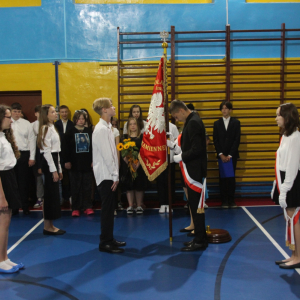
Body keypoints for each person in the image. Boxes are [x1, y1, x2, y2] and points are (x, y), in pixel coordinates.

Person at [169, 99, 208, 252]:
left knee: (197, 207)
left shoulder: (193, 122)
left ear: (180, 111)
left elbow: (197, 149)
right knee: (194, 206)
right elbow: (189, 145)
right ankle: (199, 237)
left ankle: (200, 240)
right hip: (193, 169)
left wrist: (180, 157)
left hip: (194, 171)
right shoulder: (192, 120)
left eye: (176, 117)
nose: (177, 120)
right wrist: (174, 147)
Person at [92, 97, 125, 254]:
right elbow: (107, 155)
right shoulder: (101, 129)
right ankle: (105, 242)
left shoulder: (108, 128)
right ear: (104, 110)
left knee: (110, 208)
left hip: (109, 174)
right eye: (110, 106)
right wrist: (114, 175)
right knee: (107, 210)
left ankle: (109, 238)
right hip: (106, 175)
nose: (113, 107)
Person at [272, 103, 300, 269]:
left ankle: (298, 256)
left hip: (292, 181)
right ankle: (293, 254)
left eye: (278, 115)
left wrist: (284, 190)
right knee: (289, 219)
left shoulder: (296, 138)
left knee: (294, 219)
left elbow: (291, 167)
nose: (276, 118)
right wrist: (278, 184)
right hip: (284, 180)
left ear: (287, 117)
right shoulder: (285, 136)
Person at [0, 105, 24, 273]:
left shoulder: (3, 136)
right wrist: (1, 196)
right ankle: (0, 260)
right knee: (3, 222)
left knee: (6, 222)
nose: (10, 120)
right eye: (8, 117)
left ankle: (4, 257)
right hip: (2, 180)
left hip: (9, 176)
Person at [37, 104, 66, 235]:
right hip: (48, 162)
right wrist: (53, 170)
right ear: (46, 114)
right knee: (49, 195)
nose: (56, 113)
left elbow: (57, 152)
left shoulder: (52, 127)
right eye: (53, 112)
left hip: (54, 160)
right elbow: (47, 152)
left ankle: (51, 224)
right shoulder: (44, 129)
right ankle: (47, 226)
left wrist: (59, 169)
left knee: (53, 195)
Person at [63, 110, 94, 217]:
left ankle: (88, 206)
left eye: (83, 119)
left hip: (87, 163)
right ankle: (76, 208)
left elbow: (93, 148)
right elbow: (65, 148)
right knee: (75, 186)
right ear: (75, 120)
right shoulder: (70, 132)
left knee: (87, 186)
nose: (81, 121)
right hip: (74, 164)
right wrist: (66, 161)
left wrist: (93, 161)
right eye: (79, 119)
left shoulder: (89, 131)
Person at [213, 101, 241, 208]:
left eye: (226, 108)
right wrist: (221, 154)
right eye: (222, 108)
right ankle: (224, 201)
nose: (224, 110)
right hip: (221, 156)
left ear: (230, 110)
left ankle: (231, 200)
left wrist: (230, 155)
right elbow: (216, 140)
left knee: (231, 178)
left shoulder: (236, 123)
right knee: (223, 178)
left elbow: (236, 140)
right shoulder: (217, 123)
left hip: (231, 156)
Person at [11, 102, 36, 215]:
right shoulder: (6, 123)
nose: (17, 113)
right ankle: (14, 207)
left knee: (23, 182)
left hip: (24, 154)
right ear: (11, 112)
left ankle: (25, 207)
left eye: (19, 111)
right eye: (15, 111)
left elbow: (32, 140)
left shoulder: (26, 124)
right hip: (10, 155)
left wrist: (32, 157)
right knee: (12, 182)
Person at [121, 117, 147, 214]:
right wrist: (129, 161)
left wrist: (138, 162)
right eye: (131, 124)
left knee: (139, 184)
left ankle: (139, 205)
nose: (132, 126)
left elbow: (144, 151)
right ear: (128, 126)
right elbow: (122, 151)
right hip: (128, 165)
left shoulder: (142, 137)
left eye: (134, 124)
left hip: (139, 165)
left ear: (138, 125)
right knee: (129, 185)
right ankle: (131, 205)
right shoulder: (124, 137)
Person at [158, 122, 179, 214]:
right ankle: (162, 203)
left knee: (170, 182)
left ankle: (170, 204)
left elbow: (177, 141)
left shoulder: (173, 127)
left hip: (170, 160)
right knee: (160, 182)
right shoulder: (155, 126)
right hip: (158, 161)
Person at [55, 105, 74, 205]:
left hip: (70, 154)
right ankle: (63, 196)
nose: (64, 114)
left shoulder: (72, 124)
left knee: (70, 177)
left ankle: (70, 196)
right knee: (62, 177)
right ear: (59, 113)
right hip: (60, 154)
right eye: (62, 112)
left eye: (66, 112)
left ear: (68, 112)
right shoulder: (56, 125)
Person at [31, 105, 44, 209]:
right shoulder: (31, 126)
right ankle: (39, 198)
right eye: (38, 112)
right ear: (35, 113)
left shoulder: (48, 125)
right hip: (36, 153)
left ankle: (49, 198)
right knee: (39, 178)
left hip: (46, 153)